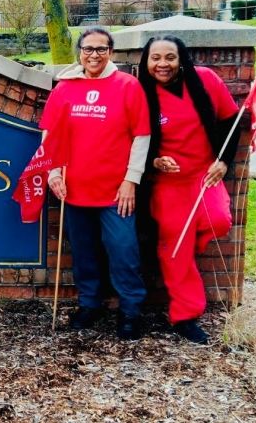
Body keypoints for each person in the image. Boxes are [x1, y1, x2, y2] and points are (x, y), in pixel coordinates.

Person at [42, 27, 151, 340]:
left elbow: (141, 136)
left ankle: (130, 309)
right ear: (79, 51)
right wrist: (53, 173)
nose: (94, 55)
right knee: (84, 253)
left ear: (111, 52)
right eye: (88, 49)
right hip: (75, 188)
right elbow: (50, 134)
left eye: (101, 49)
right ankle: (89, 304)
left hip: (116, 192)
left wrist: (131, 180)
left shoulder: (128, 86)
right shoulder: (65, 88)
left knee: (124, 251)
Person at [136, 35, 239, 344]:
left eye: (170, 57)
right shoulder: (142, 93)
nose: (162, 64)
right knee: (175, 249)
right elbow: (133, 140)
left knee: (218, 220)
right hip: (168, 183)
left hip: (203, 175)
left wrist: (224, 162)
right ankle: (185, 314)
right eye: (156, 58)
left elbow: (231, 120)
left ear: (181, 59)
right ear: (146, 61)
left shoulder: (205, 80)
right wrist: (155, 160)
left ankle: (186, 247)